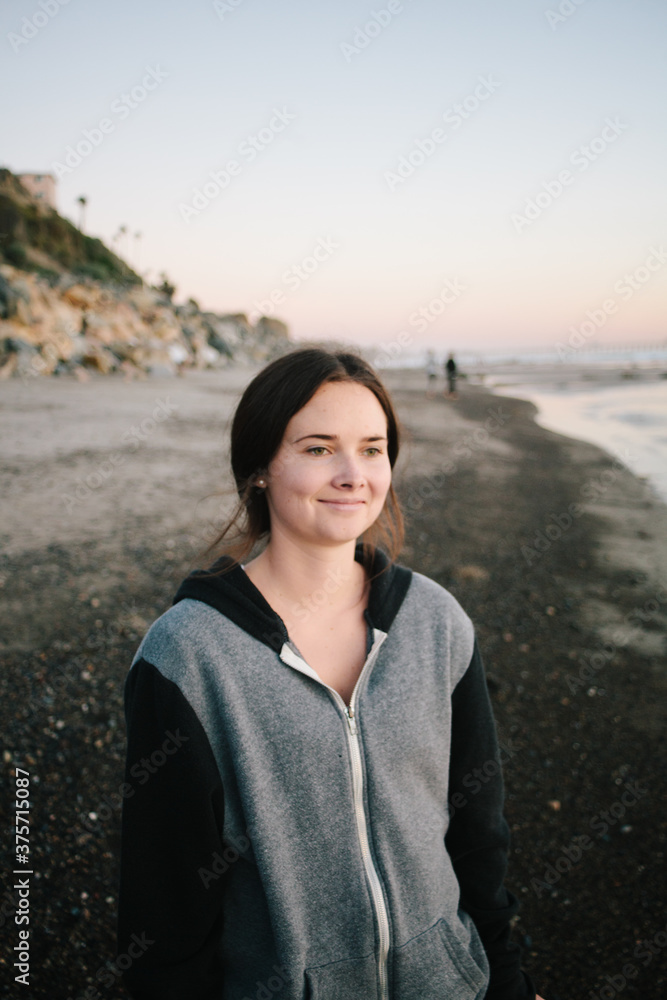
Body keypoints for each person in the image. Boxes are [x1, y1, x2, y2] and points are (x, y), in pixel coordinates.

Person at [117, 347, 544, 1000]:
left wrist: (503, 979)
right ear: (259, 467)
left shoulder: (436, 622)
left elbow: (477, 836)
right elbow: (166, 904)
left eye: (372, 449)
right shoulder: (188, 655)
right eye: (318, 449)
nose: (352, 474)